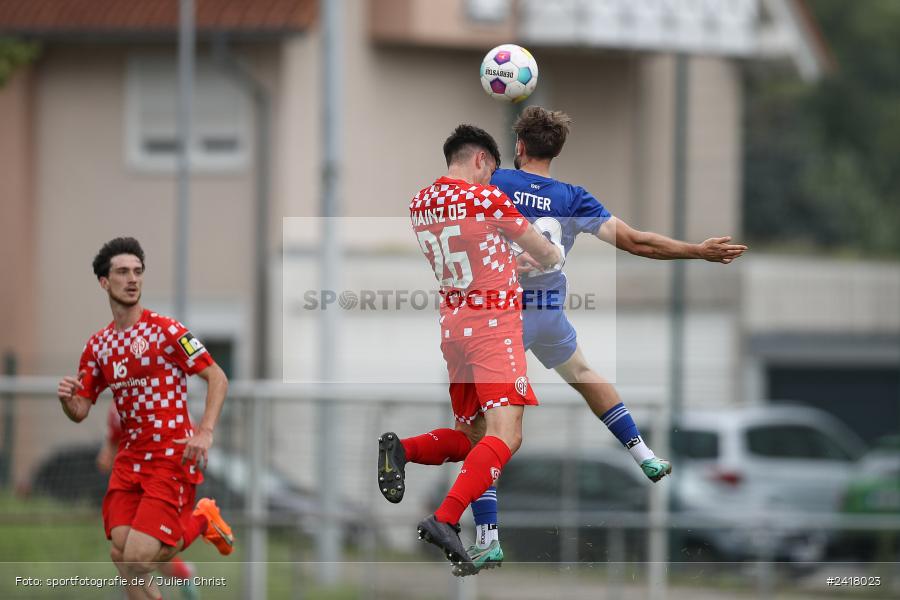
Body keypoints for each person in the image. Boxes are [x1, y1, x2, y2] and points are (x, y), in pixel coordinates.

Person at [454, 106, 748, 573]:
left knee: (484, 434)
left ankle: (488, 534)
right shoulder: (574, 197)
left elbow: (454, 210)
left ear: (520, 147)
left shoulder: (496, 182)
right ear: (557, 150)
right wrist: (698, 251)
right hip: (548, 314)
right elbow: (637, 242)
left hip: (502, 320)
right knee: (584, 372)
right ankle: (644, 453)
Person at [377, 124, 562, 573]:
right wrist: (550, 252)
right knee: (507, 435)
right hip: (491, 328)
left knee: (473, 439)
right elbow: (544, 250)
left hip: (454, 328)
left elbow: (473, 251)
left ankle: (402, 449)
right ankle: (444, 519)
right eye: (491, 171)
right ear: (481, 160)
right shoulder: (487, 199)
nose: (490, 181)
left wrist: (507, 260)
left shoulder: (421, 203)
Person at [57, 237, 234, 600]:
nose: (132, 279)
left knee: (136, 559)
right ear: (105, 282)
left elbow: (217, 377)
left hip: (172, 456)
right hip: (131, 459)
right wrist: (67, 400)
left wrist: (205, 432)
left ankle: (202, 517)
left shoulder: (167, 331)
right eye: (122, 272)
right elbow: (81, 409)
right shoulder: (98, 346)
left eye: (137, 271)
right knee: (122, 551)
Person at [97, 403, 199, 600]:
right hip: (134, 482)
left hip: (165, 479)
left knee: (137, 555)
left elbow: (189, 438)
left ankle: (200, 522)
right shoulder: (119, 405)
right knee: (123, 553)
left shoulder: (163, 397)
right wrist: (107, 455)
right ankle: (184, 573)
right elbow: (113, 440)